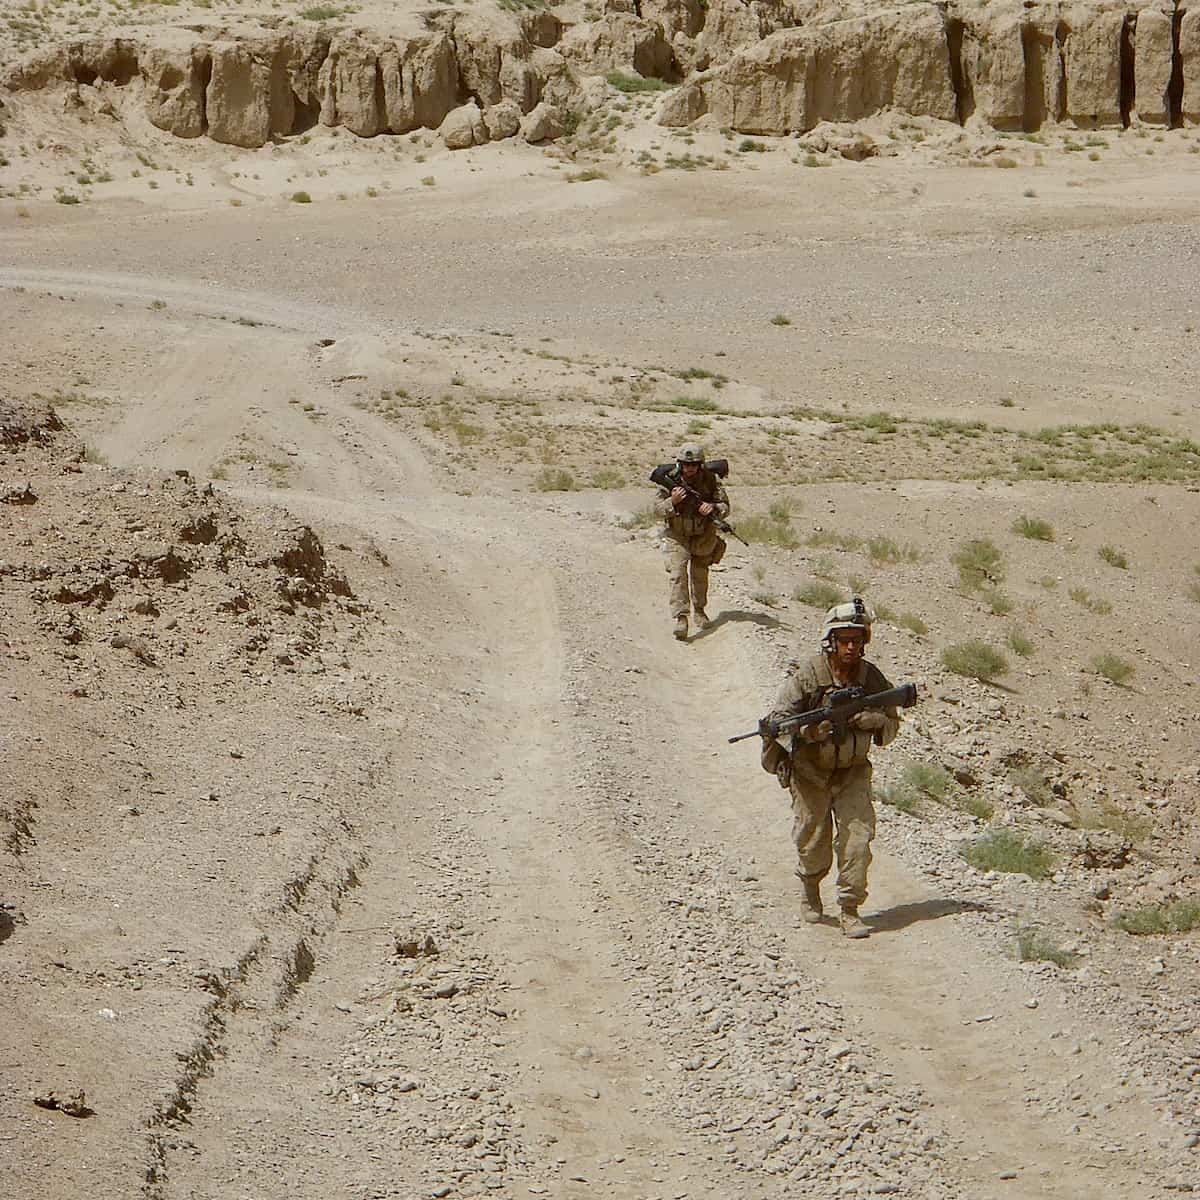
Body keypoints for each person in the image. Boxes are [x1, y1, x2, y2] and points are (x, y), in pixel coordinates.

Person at [762, 598, 902, 938]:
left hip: (852, 772)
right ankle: (810, 887)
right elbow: (778, 721)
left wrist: (875, 720)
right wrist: (809, 732)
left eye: (857, 639)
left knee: (857, 840)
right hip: (810, 773)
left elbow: (892, 724)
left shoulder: (871, 678)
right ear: (832, 640)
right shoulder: (809, 675)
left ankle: (849, 908)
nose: (851, 647)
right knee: (813, 841)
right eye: (845, 640)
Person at [654, 444, 730, 641]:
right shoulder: (670, 480)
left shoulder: (710, 481)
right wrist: (673, 501)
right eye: (686, 464)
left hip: (703, 534)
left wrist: (713, 508)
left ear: (700, 465)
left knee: (700, 574)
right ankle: (681, 618)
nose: (690, 468)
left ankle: (699, 610)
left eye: (694, 464)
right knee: (678, 574)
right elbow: (656, 510)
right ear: (680, 464)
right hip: (677, 535)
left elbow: (725, 506)